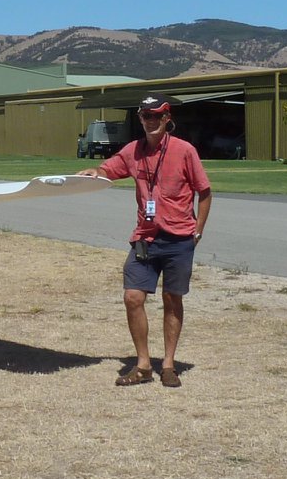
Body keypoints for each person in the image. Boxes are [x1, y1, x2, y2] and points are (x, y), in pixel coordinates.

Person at [78, 95, 212, 387]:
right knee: (132, 297)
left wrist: (197, 231)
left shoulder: (184, 151)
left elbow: (205, 191)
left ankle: (167, 365)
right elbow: (108, 169)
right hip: (145, 238)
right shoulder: (132, 151)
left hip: (178, 238)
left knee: (171, 298)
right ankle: (142, 366)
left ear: (167, 119)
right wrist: (96, 172)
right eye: (145, 116)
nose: (150, 121)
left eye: (156, 116)